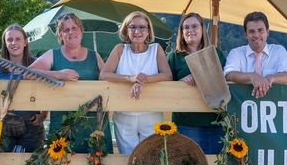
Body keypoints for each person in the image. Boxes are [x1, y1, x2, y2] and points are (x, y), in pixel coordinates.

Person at [28, 13, 112, 152]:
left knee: (98, 164)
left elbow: (108, 80)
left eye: (74, 28)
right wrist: (59, 74)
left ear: (81, 31)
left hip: (94, 125)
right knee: (61, 164)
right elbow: (28, 73)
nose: (71, 32)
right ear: (60, 35)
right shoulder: (52, 55)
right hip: (63, 125)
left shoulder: (95, 56)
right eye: (66, 30)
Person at [100, 11, 172, 154]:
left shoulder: (156, 49)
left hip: (152, 114)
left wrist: (143, 80)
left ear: (148, 31)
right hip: (124, 115)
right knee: (128, 160)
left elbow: (168, 75)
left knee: (151, 158)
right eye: (132, 27)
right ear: (126, 30)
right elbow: (103, 75)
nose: (137, 31)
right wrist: (131, 78)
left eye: (142, 27)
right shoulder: (120, 50)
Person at [167, 13, 227, 154]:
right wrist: (181, 83)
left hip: (215, 121)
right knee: (190, 164)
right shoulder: (174, 57)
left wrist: (200, 76)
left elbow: (225, 79)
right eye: (186, 27)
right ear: (181, 32)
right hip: (186, 123)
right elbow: (166, 87)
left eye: (194, 26)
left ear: (202, 29)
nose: (190, 30)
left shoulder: (215, 54)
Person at [0, 24, 46, 152]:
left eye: (18, 39)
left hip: (32, 122)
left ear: (25, 42)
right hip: (5, 122)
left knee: (31, 162)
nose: (14, 43)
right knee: (3, 162)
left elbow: (46, 91)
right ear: (5, 43)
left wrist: (44, 114)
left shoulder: (37, 63)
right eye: (9, 40)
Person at [224, 11, 287, 98]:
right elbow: (229, 74)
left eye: (260, 30)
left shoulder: (279, 51)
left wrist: (270, 78)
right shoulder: (236, 53)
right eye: (251, 31)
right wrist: (252, 76)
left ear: (267, 32)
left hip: (274, 102)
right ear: (246, 35)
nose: (256, 35)